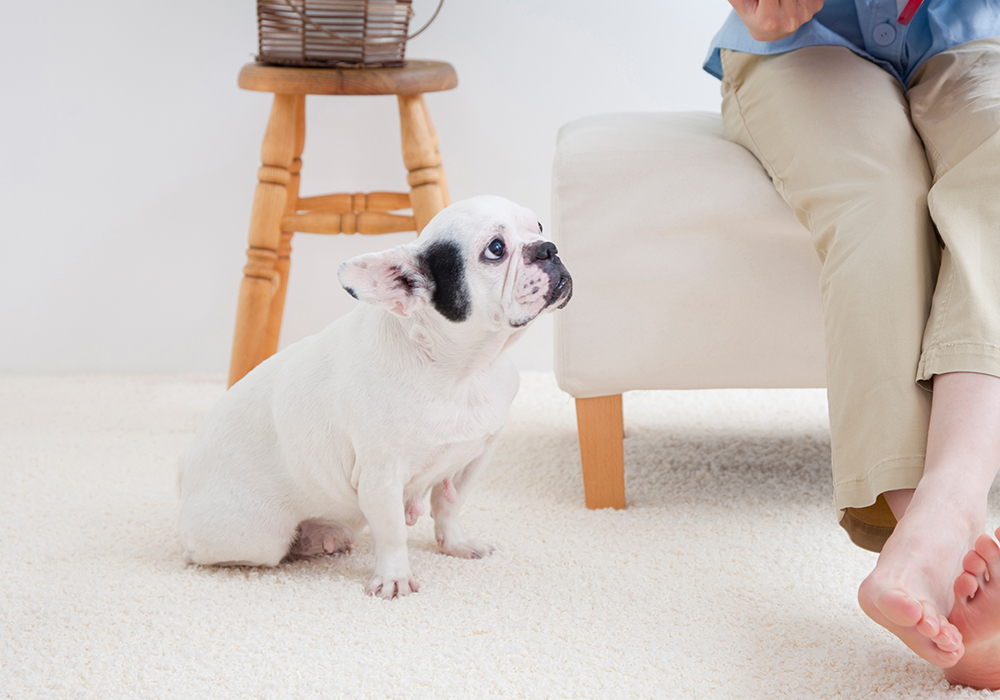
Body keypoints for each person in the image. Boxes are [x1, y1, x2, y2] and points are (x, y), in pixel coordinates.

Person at [704, 0, 1000, 689]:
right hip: (799, 48)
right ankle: (927, 538)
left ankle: (948, 511)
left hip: (974, 38)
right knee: (875, 198)